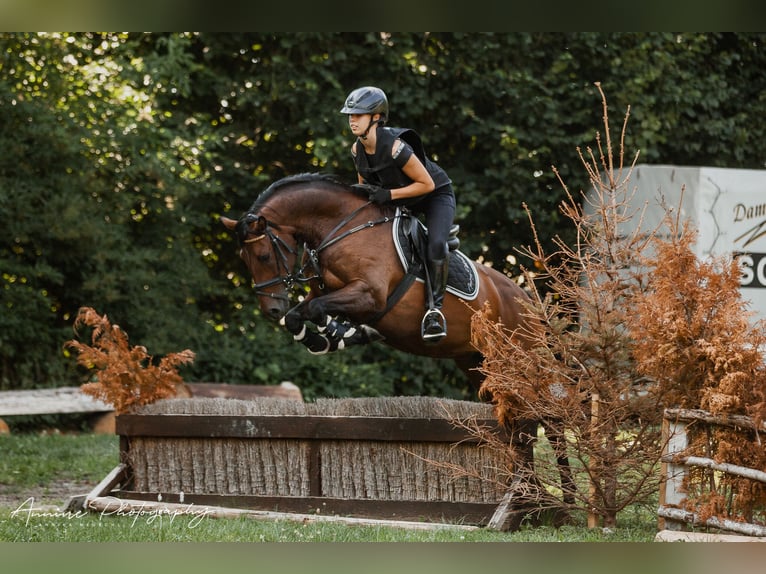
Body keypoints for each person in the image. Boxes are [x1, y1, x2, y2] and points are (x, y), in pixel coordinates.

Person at [340, 86, 456, 343]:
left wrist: (389, 196)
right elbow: (365, 189)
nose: (352, 119)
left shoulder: (395, 147)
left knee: (436, 244)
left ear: (377, 117)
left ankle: (435, 311)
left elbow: (427, 185)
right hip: (404, 200)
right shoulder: (356, 150)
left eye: (358, 114)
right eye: (350, 114)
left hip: (435, 196)